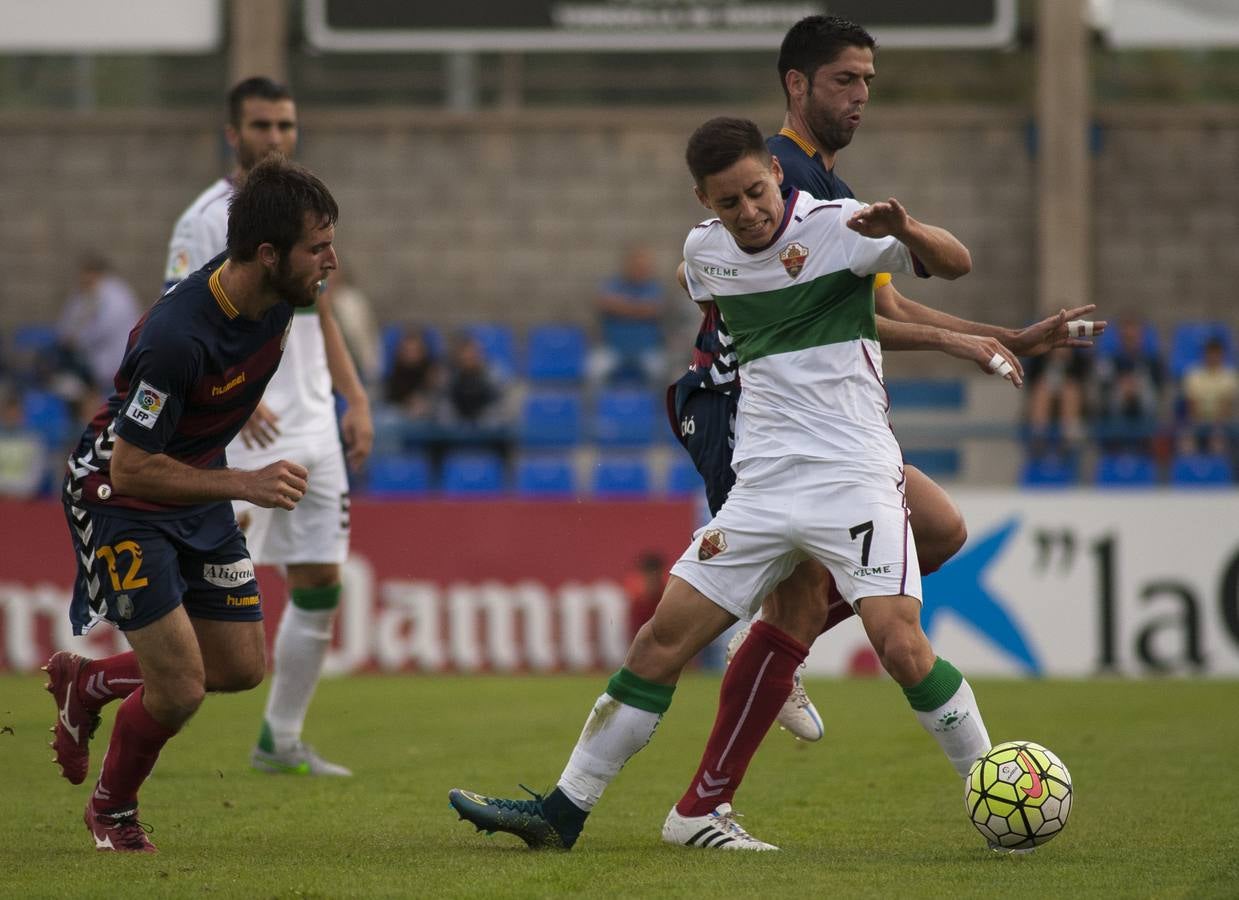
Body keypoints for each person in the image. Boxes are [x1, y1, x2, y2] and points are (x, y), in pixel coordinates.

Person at [448, 115, 987, 853]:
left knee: (899, 644)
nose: (749, 211)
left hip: (853, 478)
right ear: (704, 203)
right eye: (727, 202)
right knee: (658, 642)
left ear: (774, 170)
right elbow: (699, 281)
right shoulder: (704, 254)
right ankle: (562, 811)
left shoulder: (841, 226)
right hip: (761, 488)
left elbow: (955, 263)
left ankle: (989, 791)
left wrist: (911, 229)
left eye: (757, 192)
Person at [661, 14, 1103, 852]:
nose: (861, 95)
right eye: (844, 80)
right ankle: (704, 799)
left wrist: (1002, 336)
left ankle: (763, 676)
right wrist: (969, 340)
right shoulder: (780, 175)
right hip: (745, 411)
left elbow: (879, 309)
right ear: (797, 84)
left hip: (827, 425)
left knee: (938, 531)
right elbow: (853, 316)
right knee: (805, 601)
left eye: (867, 79)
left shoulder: (824, 179)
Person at [43, 156, 339, 852]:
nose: (332, 259)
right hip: (119, 494)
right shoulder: (177, 337)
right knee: (179, 689)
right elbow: (132, 463)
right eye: (318, 246)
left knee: (237, 668)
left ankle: (88, 684)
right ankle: (112, 813)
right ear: (268, 255)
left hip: (192, 481)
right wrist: (245, 483)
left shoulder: (280, 304)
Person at [163, 76, 373, 777]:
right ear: (233, 133)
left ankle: (279, 739)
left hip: (316, 426)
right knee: (215, 603)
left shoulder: (306, 205)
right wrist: (237, 398)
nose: (276, 137)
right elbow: (181, 320)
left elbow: (323, 312)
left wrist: (355, 398)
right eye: (261, 126)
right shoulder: (205, 218)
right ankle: (120, 690)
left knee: (320, 582)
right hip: (252, 430)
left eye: (285, 124)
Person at [56, 253, 142, 392]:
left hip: (116, 364)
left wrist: (77, 339)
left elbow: (104, 328)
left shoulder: (116, 294)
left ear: (96, 273)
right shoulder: (81, 295)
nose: (82, 278)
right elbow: (65, 326)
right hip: (91, 364)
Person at [589, 245, 668, 386]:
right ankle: (594, 408)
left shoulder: (653, 287)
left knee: (661, 373)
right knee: (593, 371)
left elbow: (653, 309)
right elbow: (605, 303)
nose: (640, 270)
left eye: (643, 267)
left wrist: (622, 307)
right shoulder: (613, 284)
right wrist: (639, 309)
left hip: (646, 350)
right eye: (637, 266)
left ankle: (657, 408)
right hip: (613, 349)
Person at [1179, 335, 1238, 455]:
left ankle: (1218, 471)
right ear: (1204, 354)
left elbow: (1226, 407)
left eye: (1216, 353)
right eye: (1210, 353)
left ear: (1222, 355)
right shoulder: (1193, 374)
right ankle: (1190, 471)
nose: (1213, 357)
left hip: (1222, 423)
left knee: (1217, 442)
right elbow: (1191, 405)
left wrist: (1215, 426)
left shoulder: (1230, 376)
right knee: (1186, 442)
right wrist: (1200, 423)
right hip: (1196, 421)